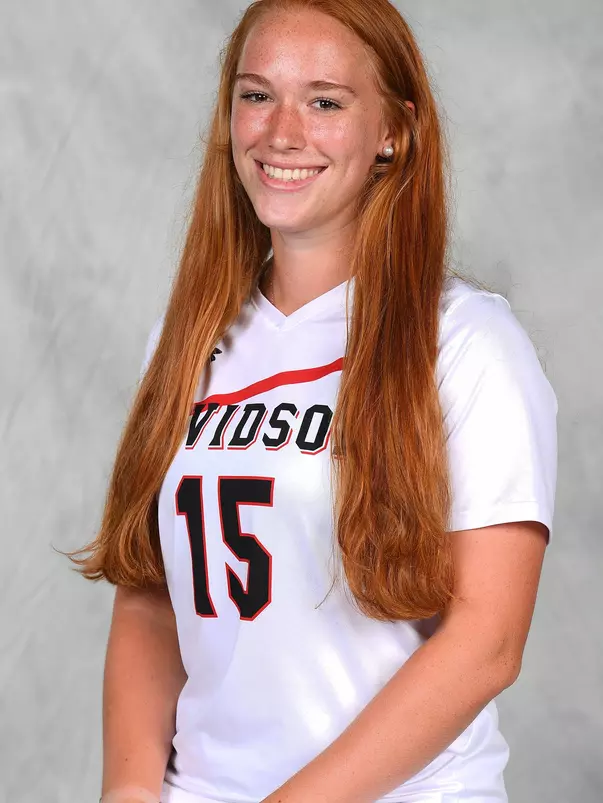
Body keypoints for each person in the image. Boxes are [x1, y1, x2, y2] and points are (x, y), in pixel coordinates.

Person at [63, 1, 558, 801]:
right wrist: (128, 792)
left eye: (325, 101)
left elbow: (487, 640)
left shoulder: (466, 342)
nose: (281, 132)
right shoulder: (186, 335)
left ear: (393, 131)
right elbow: (154, 590)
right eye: (257, 95)